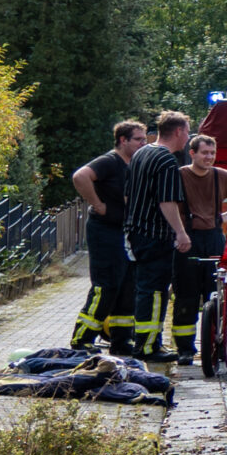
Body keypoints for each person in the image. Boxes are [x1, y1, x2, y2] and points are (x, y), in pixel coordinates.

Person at [118, 112, 193, 361]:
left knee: (144, 289)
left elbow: (127, 195)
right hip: (155, 235)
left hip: (136, 231)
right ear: (179, 132)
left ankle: (144, 343)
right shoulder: (166, 161)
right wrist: (181, 233)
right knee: (155, 291)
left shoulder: (141, 153)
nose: (188, 137)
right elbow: (167, 202)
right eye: (188, 131)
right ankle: (149, 347)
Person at [69, 121, 147, 350]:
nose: (143, 143)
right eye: (139, 139)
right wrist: (98, 204)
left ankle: (122, 341)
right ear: (123, 140)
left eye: (144, 139)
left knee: (127, 286)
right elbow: (80, 176)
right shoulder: (109, 161)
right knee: (107, 286)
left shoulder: (134, 164)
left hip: (125, 232)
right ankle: (82, 339)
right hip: (105, 231)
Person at [171, 135, 227, 364]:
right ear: (192, 153)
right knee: (186, 296)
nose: (209, 157)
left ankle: (220, 346)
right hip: (187, 239)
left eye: (212, 153)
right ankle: (185, 350)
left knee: (218, 295)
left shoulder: (221, 176)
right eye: (204, 153)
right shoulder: (179, 176)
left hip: (214, 239)